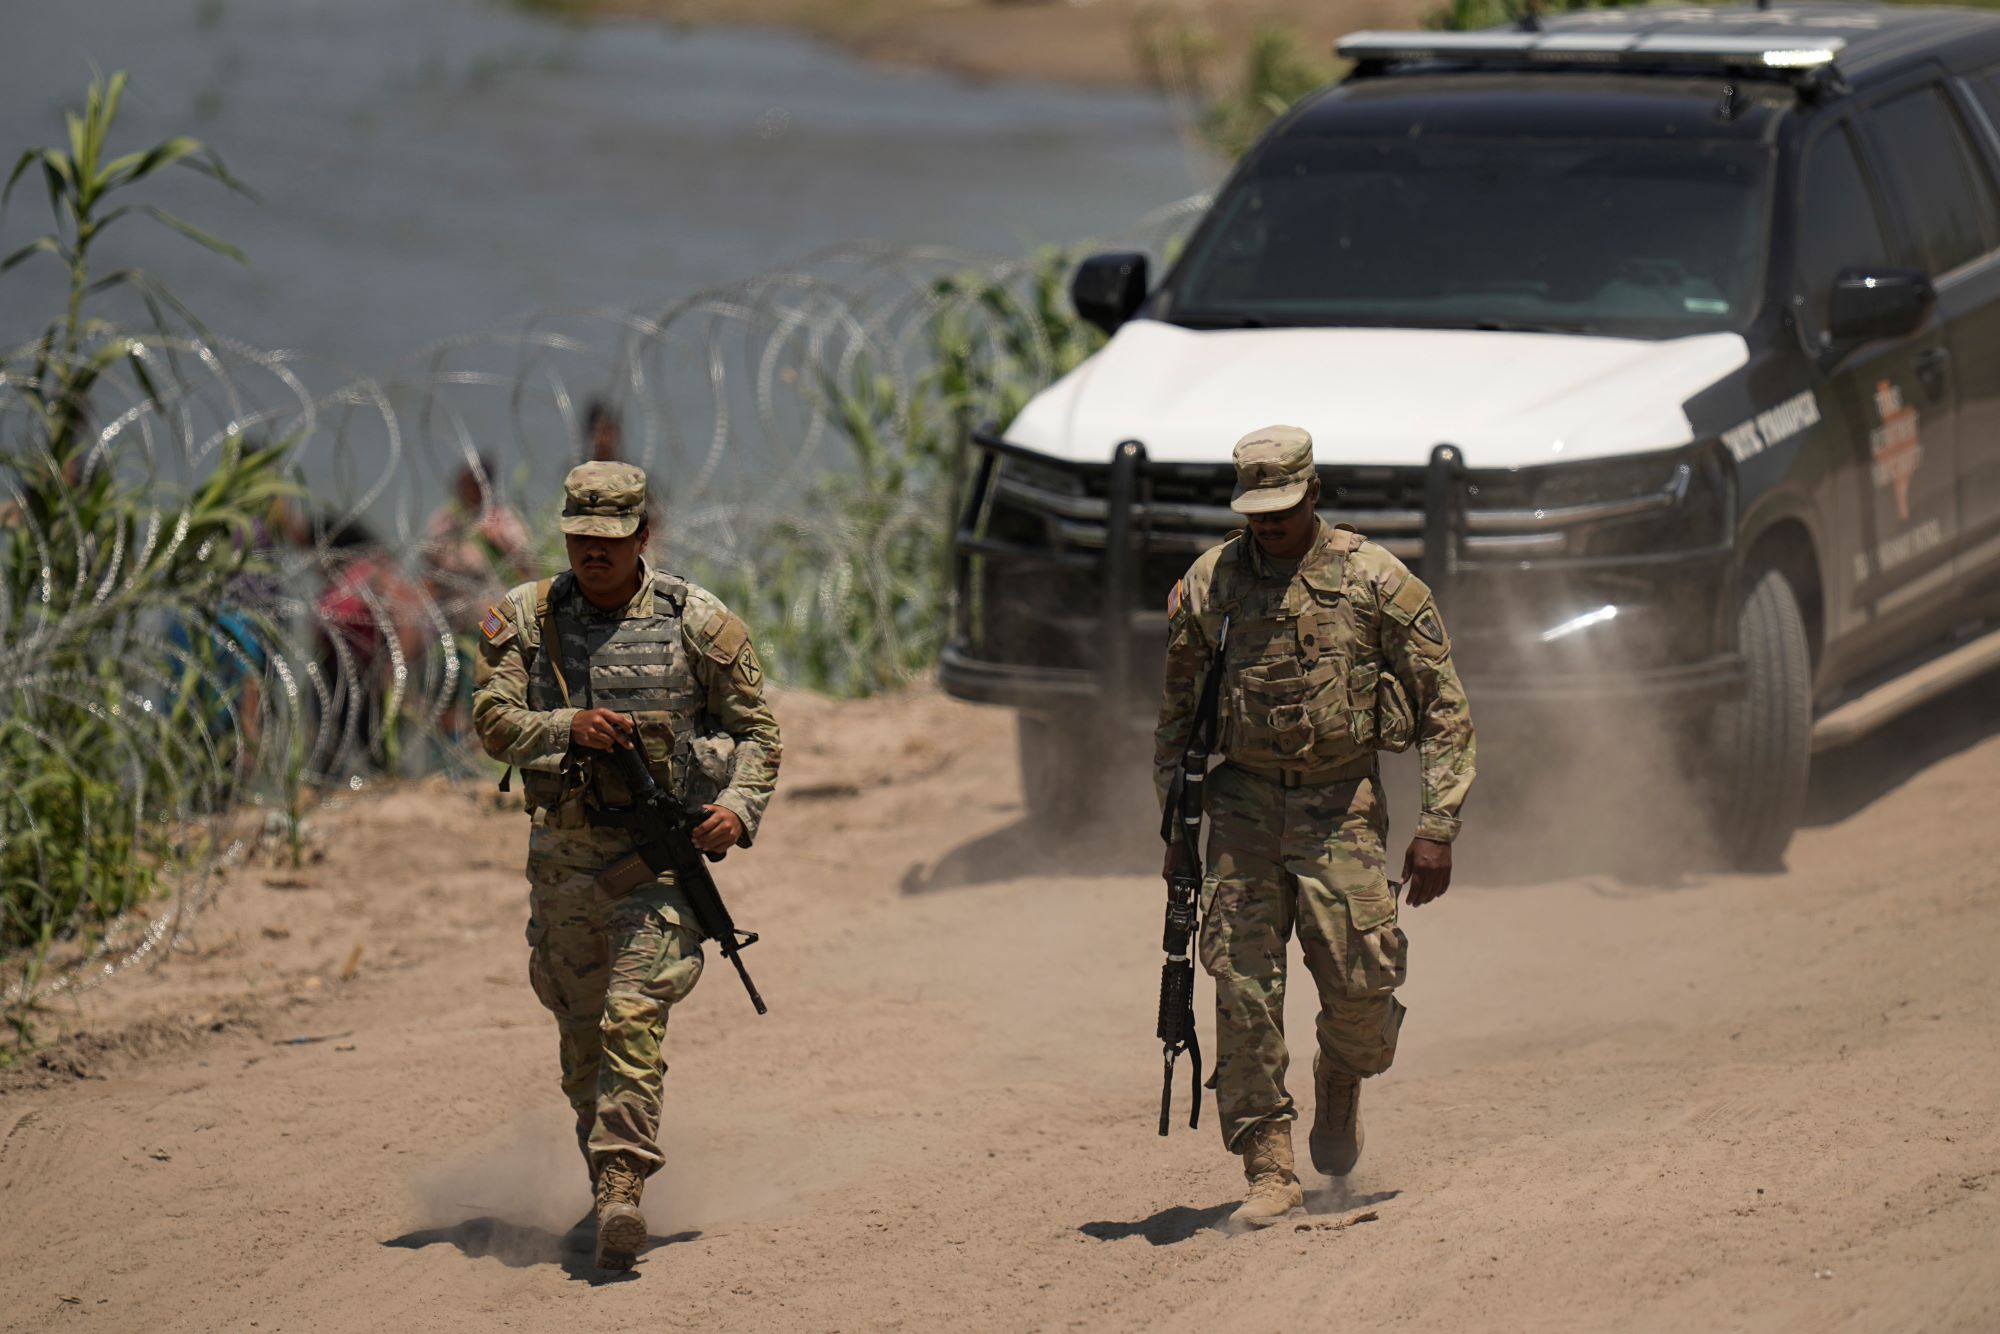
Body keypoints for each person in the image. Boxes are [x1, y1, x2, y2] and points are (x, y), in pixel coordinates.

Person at [1154, 424, 1475, 1228]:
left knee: (1364, 984)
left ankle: (1341, 1080)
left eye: (1284, 510)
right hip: (1244, 806)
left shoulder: (1377, 581)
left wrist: (1438, 825)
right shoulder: (1211, 585)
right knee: (1242, 988)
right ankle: (1269, 1170)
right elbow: (1177, 716)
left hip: (1343, 805)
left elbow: (1445, 708)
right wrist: (1174, 831)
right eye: (1257, 512)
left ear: (1315, 494)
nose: (1269, 525)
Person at [471, 461, 781, 1270]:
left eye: (610, 540)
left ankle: (620, 1191)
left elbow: (760, 736)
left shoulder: (698, 623)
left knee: (631, 1015)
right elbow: (494, 721)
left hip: (657, 865)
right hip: (566, 862)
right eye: (579, 538)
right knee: (580, 1036)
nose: (593, 554)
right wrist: (570, 726)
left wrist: (736, 811)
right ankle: (603, 1174)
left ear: (644, 536)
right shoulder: (527, 620)